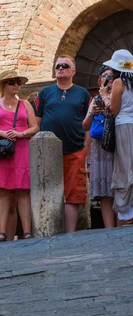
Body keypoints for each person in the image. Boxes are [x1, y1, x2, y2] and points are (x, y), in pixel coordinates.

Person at [35, 55, 91, 233]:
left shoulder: (82, 93)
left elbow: (89, 123)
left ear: (73, 71)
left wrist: (85, 148)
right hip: (48, 151)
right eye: (58, 66)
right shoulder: (45, 93)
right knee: (48, 191)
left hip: (74, 149)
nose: (60, 68)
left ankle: (70, 233)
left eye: (65, 65)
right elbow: (37, 122)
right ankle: (48, 230)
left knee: (73, 193)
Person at [0, 70, 38, 242]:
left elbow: (34, 127)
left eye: (18, 82)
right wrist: (2, 133)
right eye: (12, 82)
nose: (16, 85)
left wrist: (20, 134)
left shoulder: (25, 104)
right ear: (3, 86)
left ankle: (27, 231)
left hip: (21, 148)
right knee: (2, 191)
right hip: (1, 150)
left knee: (23, 190)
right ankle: (2, 232)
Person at [82, 65, 116, 228]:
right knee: (105, 192)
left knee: (120, 187)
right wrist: (92, 113)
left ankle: (121, 224)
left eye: (111, 76)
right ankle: (109, 228)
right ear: (99, 80)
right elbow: (85, 126)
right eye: (104, 76)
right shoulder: (95, 99)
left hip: (117, 145)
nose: (108, 79)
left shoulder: (120, 95)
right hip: (100, 147)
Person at [105, 50, 133, 224]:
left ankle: (126, 213)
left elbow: (114, 109)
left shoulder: (118, 82)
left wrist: (105, 99)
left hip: (123, 126)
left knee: (124, 167)